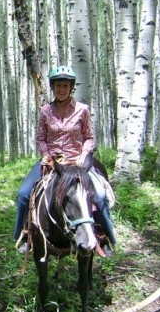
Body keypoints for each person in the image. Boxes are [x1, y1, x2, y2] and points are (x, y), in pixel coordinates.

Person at [13, 66, 117, 257]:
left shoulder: (82, 110)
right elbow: (40, 138)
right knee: (23, 194)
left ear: (71, 88)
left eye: (65, 85)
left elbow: (89, 137)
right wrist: (46, 154)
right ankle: (24, 235)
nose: (62, 89)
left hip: (78, 161)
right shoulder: (45, 111)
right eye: (58, 85)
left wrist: (83, 155)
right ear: (53, 87)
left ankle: (106, 237)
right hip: (52, 161)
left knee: (100, 196)